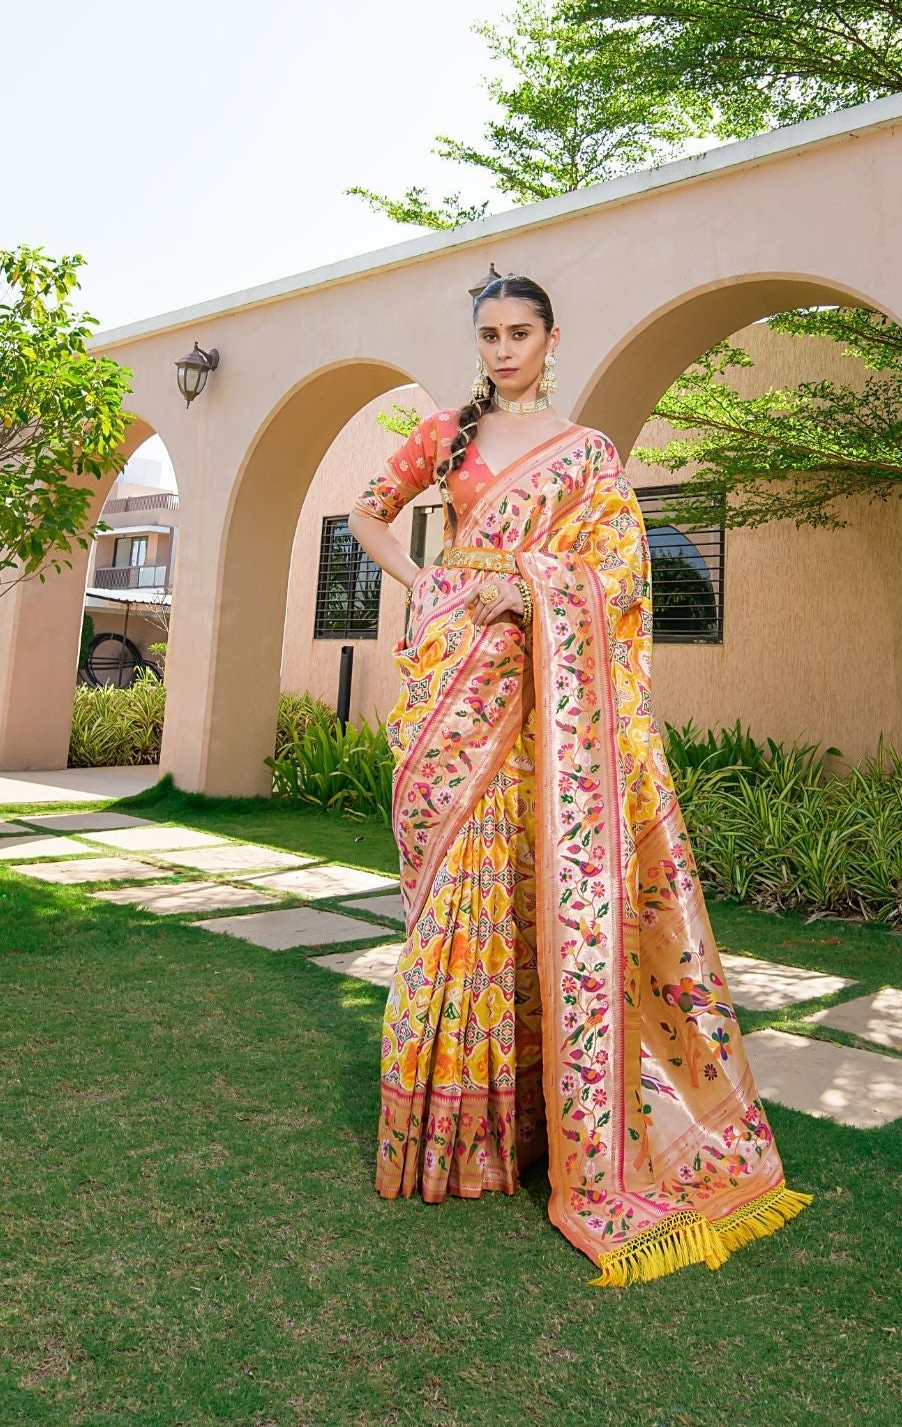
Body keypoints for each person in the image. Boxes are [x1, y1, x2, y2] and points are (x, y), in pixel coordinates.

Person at [346, 271, 810, 1287]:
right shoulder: (446, 434)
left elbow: (618, 581)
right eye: (489, 335)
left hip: (548, 701)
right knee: (451, 904)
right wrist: (437, 583)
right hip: (453, 689)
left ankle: (532, 1128)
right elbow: (368, 516)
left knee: (530, 893)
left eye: (520, 333)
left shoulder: (590, 455)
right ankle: (448, 1125)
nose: (503, 349)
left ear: (554, 339)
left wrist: (534, 585)